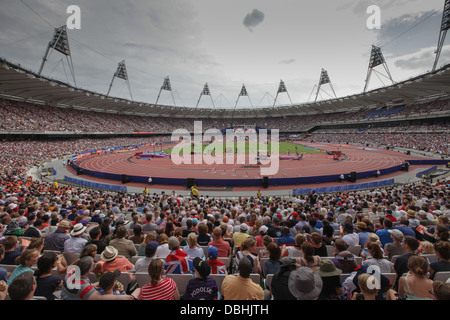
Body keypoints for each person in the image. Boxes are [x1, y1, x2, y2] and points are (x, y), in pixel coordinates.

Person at [60, 256, 132, 300]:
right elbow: (100, 298)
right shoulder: (84, 287)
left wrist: (91, 285)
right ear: (89, 271)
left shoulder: (71, 271)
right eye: (93, 265)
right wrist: (123, 297)